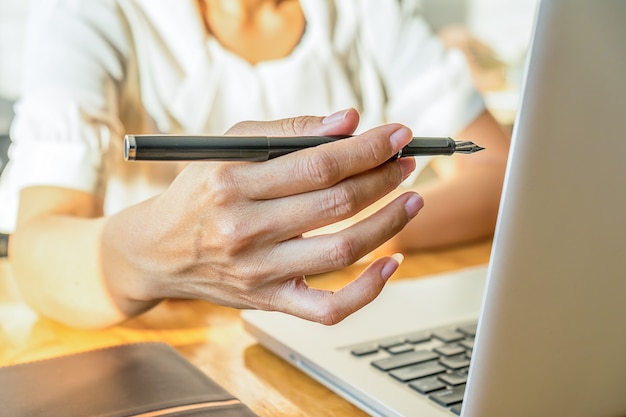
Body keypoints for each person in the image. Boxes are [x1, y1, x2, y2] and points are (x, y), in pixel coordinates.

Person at [0, 0, 509, 329]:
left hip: (328, 327)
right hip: (164, 341)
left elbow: (501, 173)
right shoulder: (91, 14)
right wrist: (167, 256)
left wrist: (351, 232)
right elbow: (36, 255)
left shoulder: (369, 12)